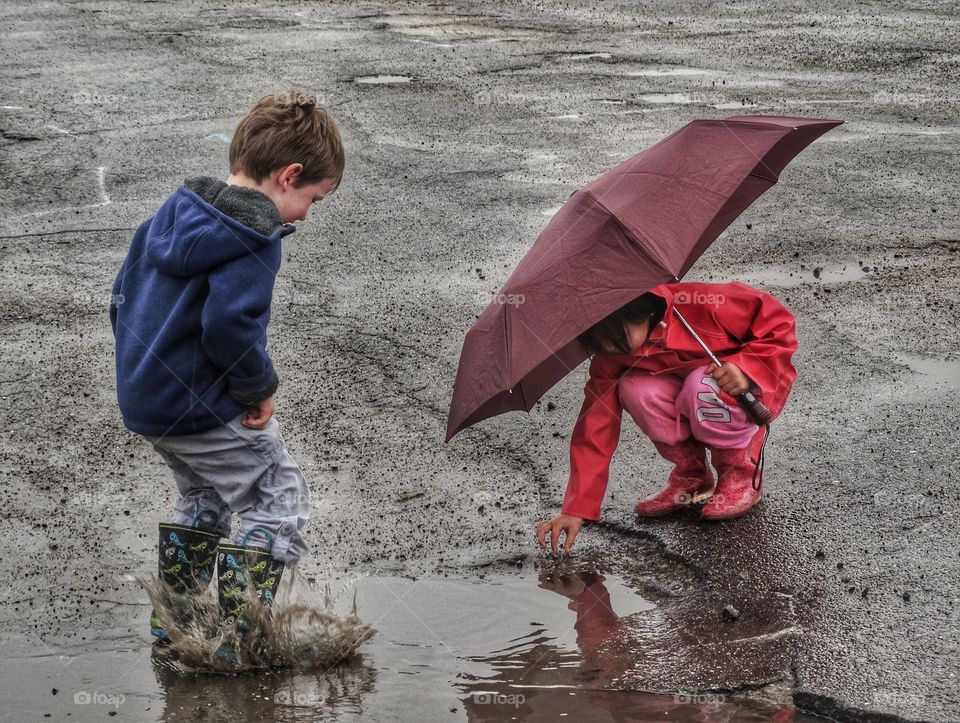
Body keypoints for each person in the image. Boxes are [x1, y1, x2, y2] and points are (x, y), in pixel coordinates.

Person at [109, 91, 345, 663]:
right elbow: (228, 328)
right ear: (288, 175)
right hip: (203, 407)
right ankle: (244, 639)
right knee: (276, 499)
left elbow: (120, 303)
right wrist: (258, 387)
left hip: (150, 404)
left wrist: (142, 375)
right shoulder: (254, 239)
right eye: (311, 198)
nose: (305, 215)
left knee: (204, 496)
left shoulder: (164, 220)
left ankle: (178, 626)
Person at [536, 281, 797, 554]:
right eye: (597, 342)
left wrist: (747, 366)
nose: (610, 349)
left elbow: (779, 324)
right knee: (634, 388)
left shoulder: (703, 304)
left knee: (701, 385)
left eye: (615, 337)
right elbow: (595, 427)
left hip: (747, 392)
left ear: (641, 312)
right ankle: (693, 475)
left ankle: (739, 472)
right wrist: (576, 508)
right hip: (688, 391)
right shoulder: (610, 356)